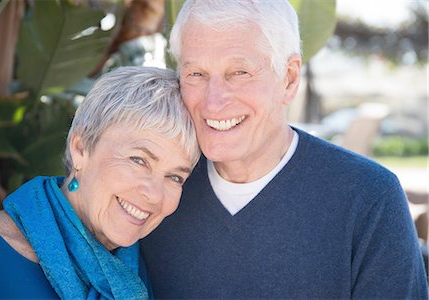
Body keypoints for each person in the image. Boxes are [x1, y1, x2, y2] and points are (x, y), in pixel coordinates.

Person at [140, 0, 428, 298]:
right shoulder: (154, 192)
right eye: (196, 74)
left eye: (239, 73)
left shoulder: (368, 197)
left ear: (289, 78)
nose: (213, 102)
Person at [0, 66, 200, 299]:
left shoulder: (145, 270)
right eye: (138, 160)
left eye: (175, 177)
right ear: (81, 147)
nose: (154, 194)